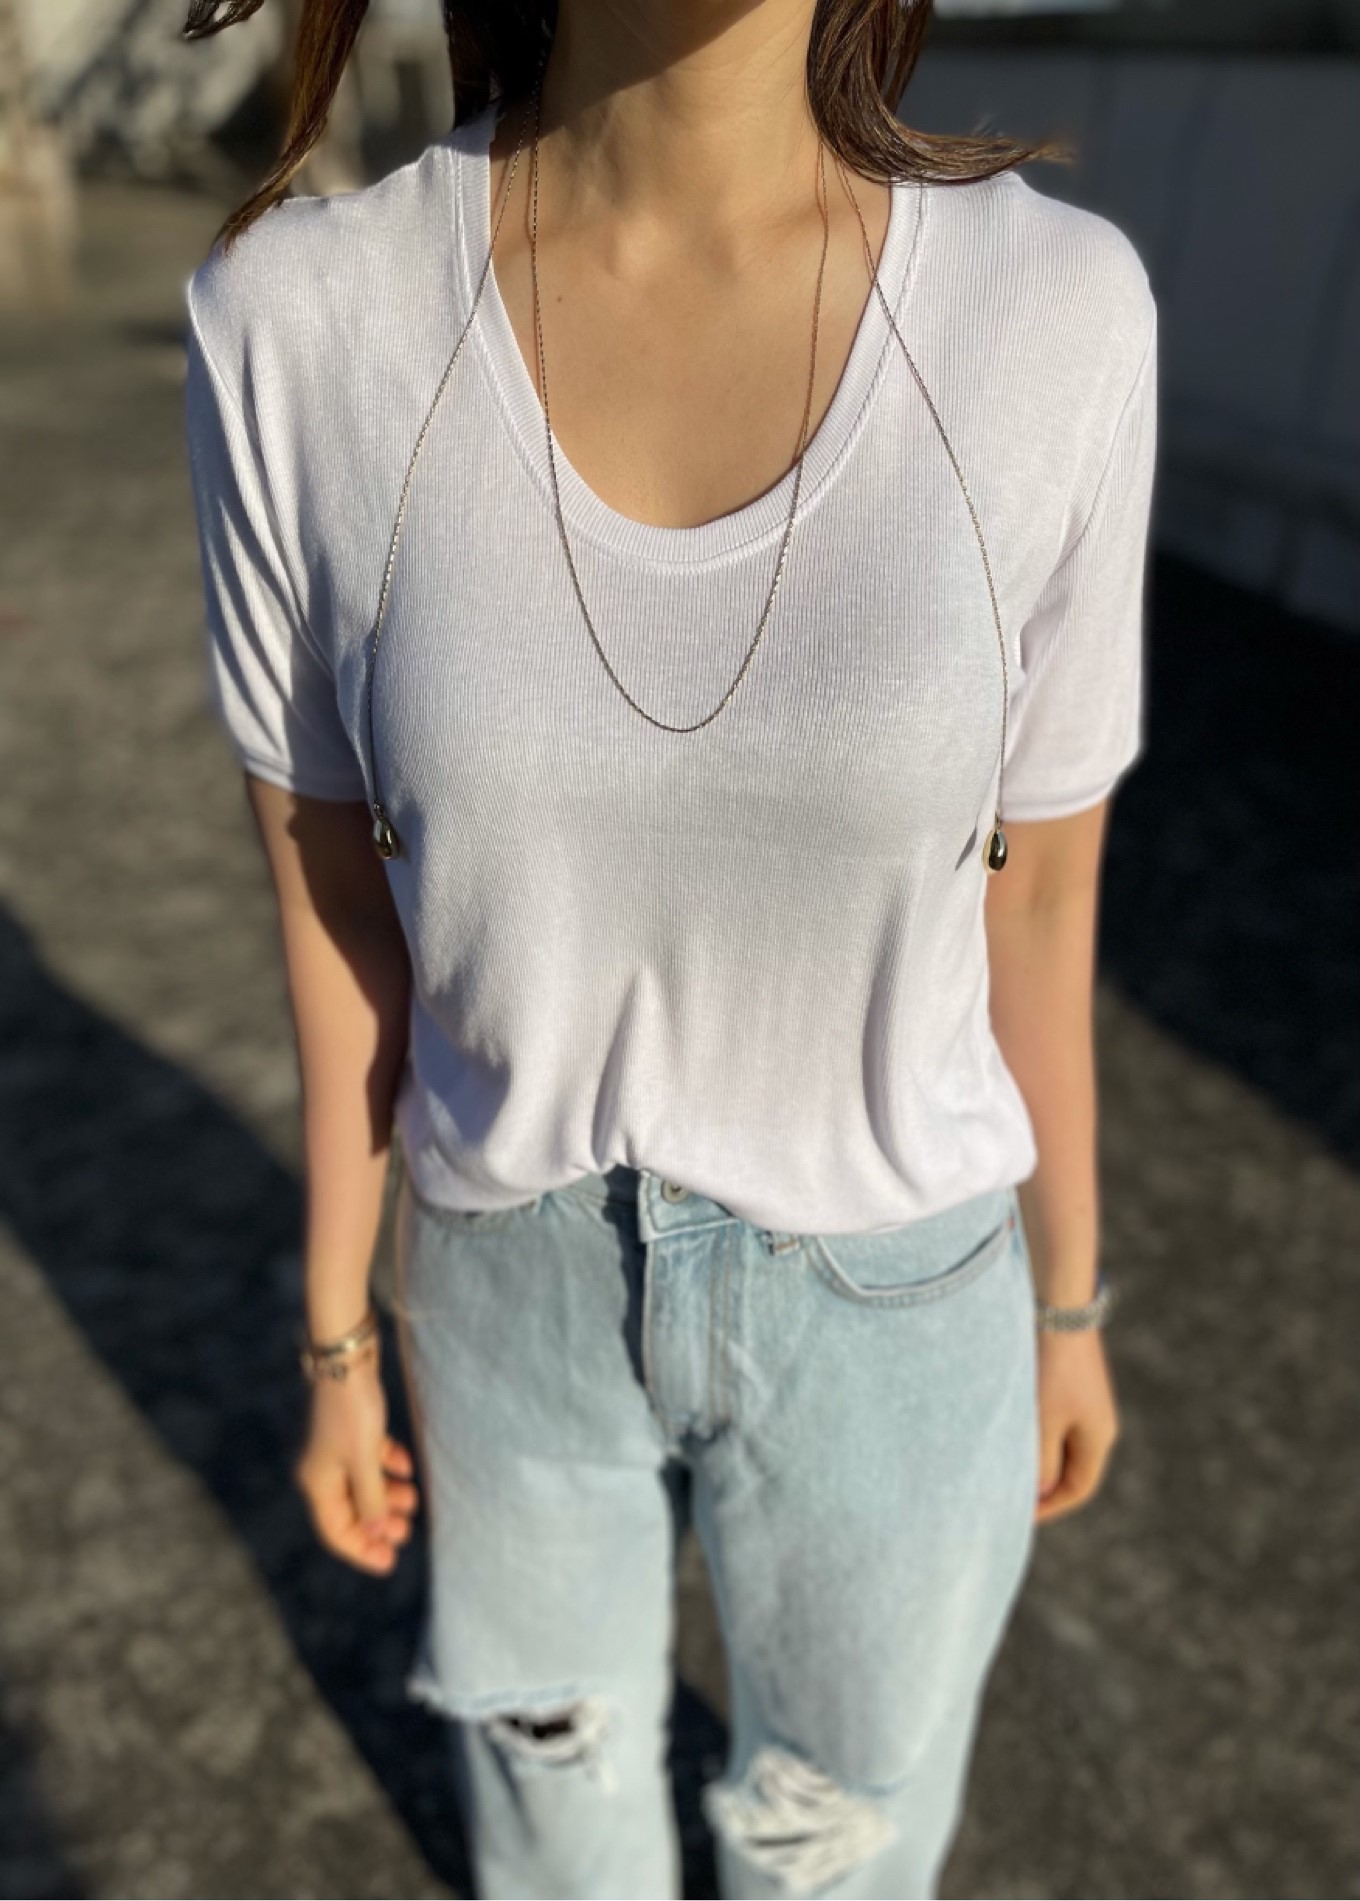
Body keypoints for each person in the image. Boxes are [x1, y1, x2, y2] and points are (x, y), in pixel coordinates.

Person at [181, 2, 1158, 1894]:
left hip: (899, 1287)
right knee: (553, 1826)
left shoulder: (1053, 315)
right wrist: (335, 1333)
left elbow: (1040, 891)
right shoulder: (300, 325)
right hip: (507, 1278)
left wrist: (1065, 1299)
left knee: (841, 1844)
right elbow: (332, 895)